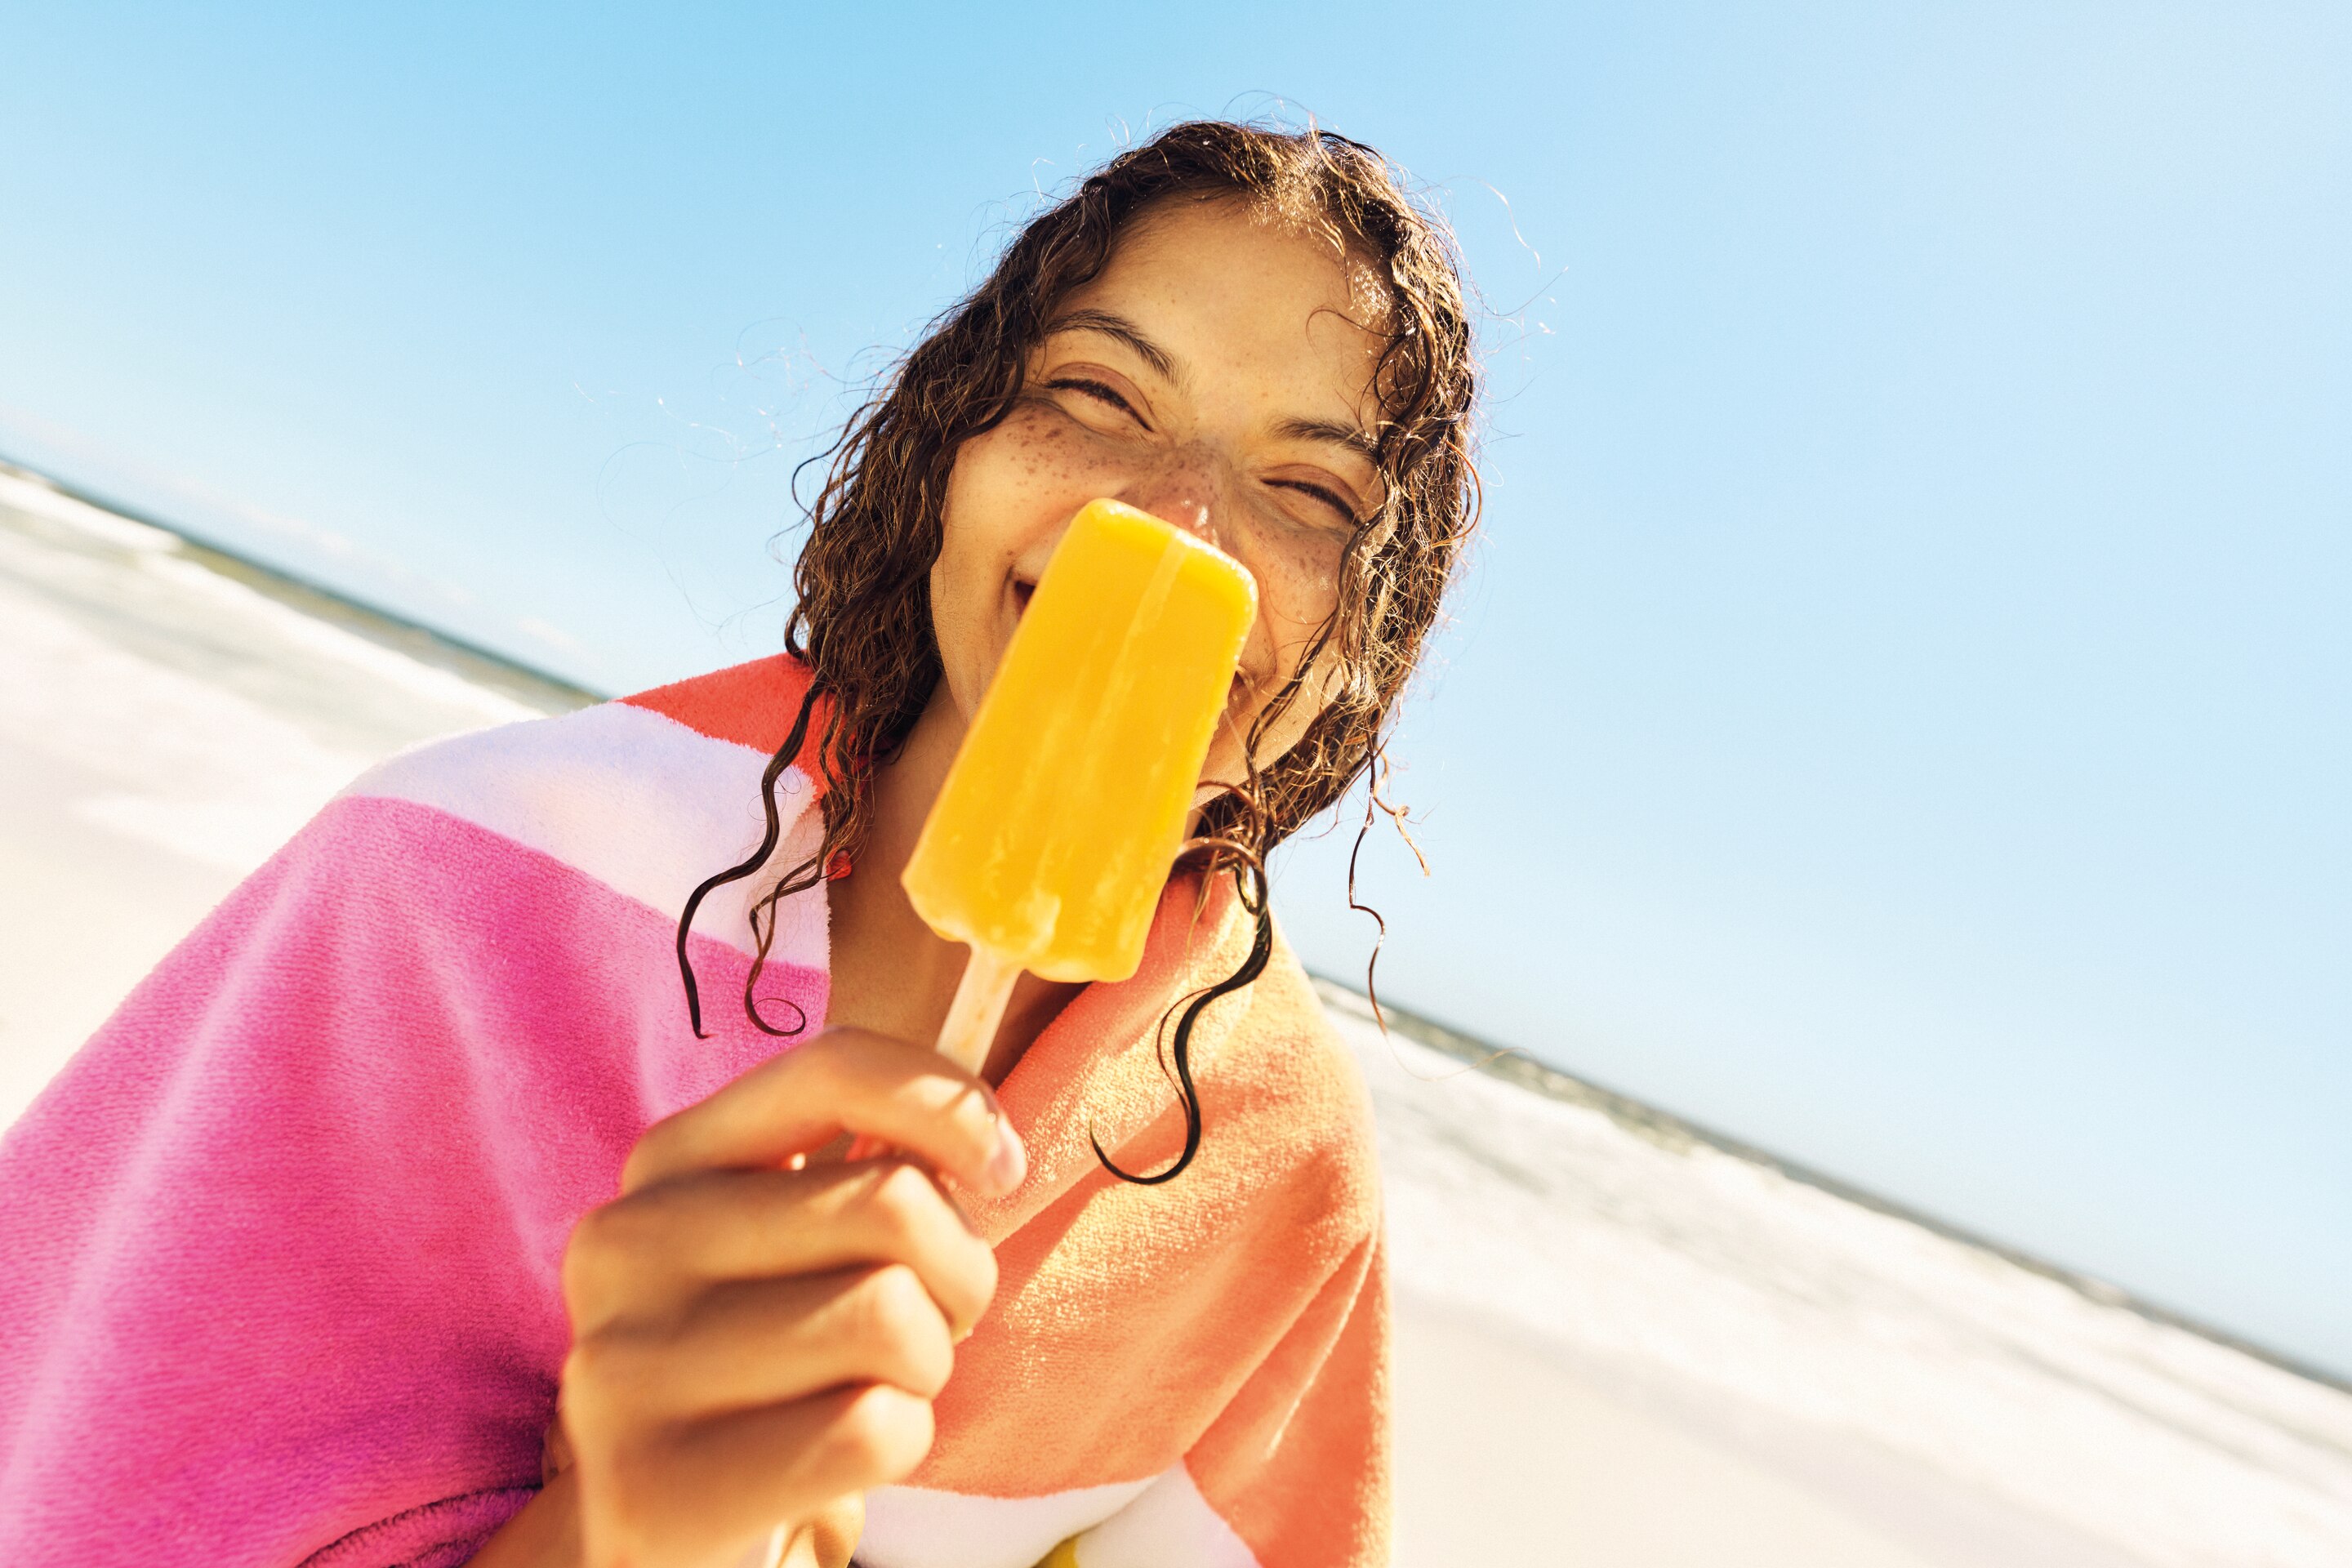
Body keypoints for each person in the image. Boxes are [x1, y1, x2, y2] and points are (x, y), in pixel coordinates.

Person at [0, 121, 1477, 1568]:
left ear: (1370, 641)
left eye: (1312, 493)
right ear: (951, 448)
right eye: (1096, 394)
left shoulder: (1286, 1178)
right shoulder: (448, 884)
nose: (1176, 525)